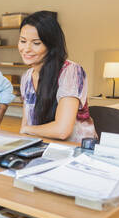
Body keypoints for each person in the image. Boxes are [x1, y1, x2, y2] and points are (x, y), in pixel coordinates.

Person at [18, 11, 97, 142]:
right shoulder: (27, 78)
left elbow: (62, 131)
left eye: (36, 43)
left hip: (76, 150)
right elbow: (25, 124)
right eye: (22, 41)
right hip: (42, 146)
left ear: (51, 45)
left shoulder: (71, 72)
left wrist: (27, 129)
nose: (26, 49)